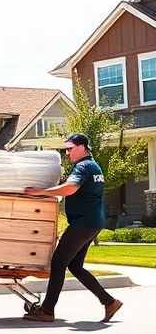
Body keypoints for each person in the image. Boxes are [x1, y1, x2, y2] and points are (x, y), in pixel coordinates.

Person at [22, 133, 123, 323]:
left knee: (59, 262)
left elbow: (70, 188)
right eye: (66, 149)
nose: (67, 152)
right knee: (75, 266)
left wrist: (40, 193)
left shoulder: (83, 166)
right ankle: (109, 302)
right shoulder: (94, 166)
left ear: (83, 147)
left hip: (83, 223)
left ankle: (47, 310)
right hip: (92, 222)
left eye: (70, 148)